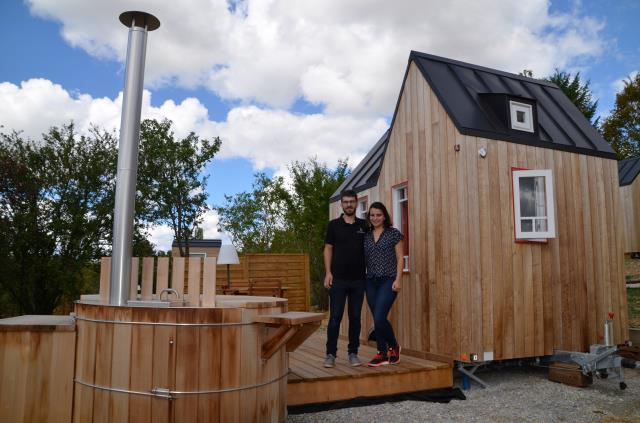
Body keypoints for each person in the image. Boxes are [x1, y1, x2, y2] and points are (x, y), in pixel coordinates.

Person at [323, 190, 368, 368]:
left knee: (355, 318)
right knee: (335, 317)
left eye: (352, 202)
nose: (349, 205)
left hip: (359, 280)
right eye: (346, 202)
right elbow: (328, 249)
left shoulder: (365, 225)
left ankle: (353, 353)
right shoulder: (333, 225)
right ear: (341, 204)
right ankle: (330, 354)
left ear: (356, 203)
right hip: (338, 280)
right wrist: (328, 272)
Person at [364, 201, 404, 366]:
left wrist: (398, 279)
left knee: (380, 317)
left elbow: (401, 257)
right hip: (370, 281)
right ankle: (381, 352)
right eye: (372, 215)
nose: (375, 218)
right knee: (377, 318)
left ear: (384, 216)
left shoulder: (393, 233)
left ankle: (393, 346)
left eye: (378, 215)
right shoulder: (365, 235)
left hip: (388, 279)